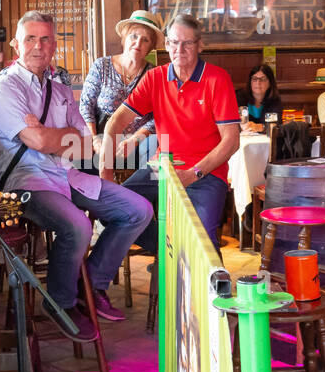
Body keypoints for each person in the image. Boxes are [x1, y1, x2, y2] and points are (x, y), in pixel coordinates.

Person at [0, 11, 152, 334]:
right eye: (30, 39)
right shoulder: (5, 90)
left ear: (54, 46)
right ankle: (59, 302)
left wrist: (50, 135)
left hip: (66, 176)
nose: (38, 46)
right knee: (77, 226)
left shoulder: (60, 91)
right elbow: (38, 140)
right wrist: (55, 136)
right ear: (16, 45)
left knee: (138, 210)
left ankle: (89, 280)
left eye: (45, 39)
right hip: (26, 182)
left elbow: (86, 145)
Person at [102, 14, 242, 250]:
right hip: (162, 168)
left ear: (200, 45)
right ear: (166, 44)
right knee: (115, 210)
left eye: (188, 43)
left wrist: (194, 173)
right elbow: (116, 121)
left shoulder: (217, 79)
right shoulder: (155, 77)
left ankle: (202, 277)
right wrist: (106, 172)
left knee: (203, 244)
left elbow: (232, 141)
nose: (180, 49)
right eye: (175, 42)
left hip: (206, 173)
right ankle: (170, 251)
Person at [80, 10, 159, 176]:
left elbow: (156, 118)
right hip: (100, 137)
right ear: (124, 39)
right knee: (74, 150)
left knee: (156, 144)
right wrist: (94, 139)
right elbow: (86, 105)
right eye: (133, 36)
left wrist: (134, 140)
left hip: (136, 143)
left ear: (150, 47)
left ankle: (139, 195)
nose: (138, 43)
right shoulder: (102, 66)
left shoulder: (154, 75)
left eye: (145, 40)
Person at [237, 63, 281, 133]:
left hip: (266, 141)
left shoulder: (274, 100)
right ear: (250, 82)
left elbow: (275, 126)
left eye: (262, 79)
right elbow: (232, 124)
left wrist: (261, 127)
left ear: (270, 82)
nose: (258, 82)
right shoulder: (240, 97)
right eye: (254, 79)